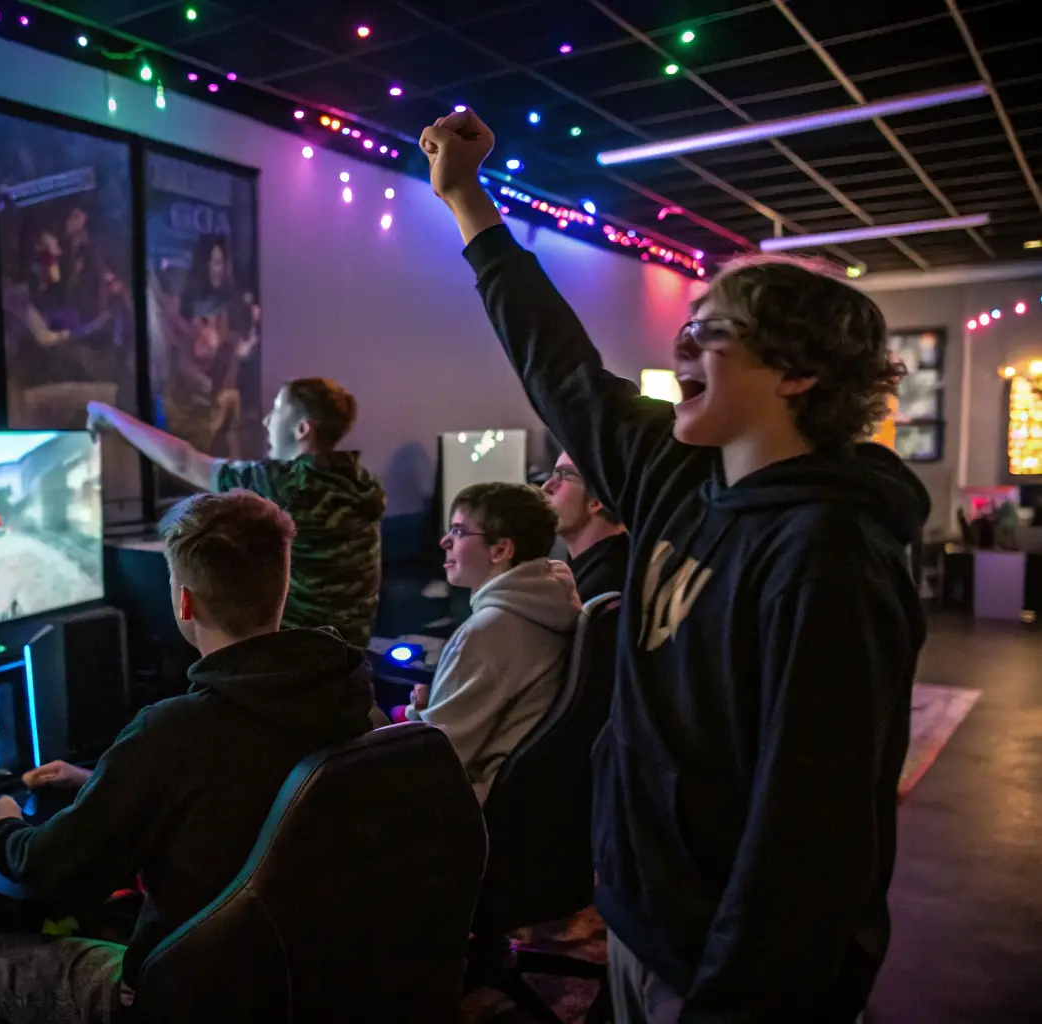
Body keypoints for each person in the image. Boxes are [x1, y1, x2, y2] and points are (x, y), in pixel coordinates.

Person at [419, 109, 926, 1022]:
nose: (680, 348)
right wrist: (466, 202)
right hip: (639, 914)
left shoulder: (830, 555)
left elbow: (813, 828)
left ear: (796, 374)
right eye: (685, 329)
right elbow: (556, 361)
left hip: (733, 966)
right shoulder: (672, 470)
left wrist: (737, 997)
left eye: (712, 334)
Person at [0, 490, 378, 1024]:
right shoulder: (347, 700)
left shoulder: (176, 732)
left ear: (185, 602)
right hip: (306, 982)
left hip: (187, 994)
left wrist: (2, 829)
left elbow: (54, 871)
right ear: (283, 587)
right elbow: (239, 786)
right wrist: (106, 780)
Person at [88, 377, 386, 647]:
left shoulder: (283, 484)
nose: (267, 421)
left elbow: (183, 461)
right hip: (350, 659)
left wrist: (108, 415)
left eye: (278, 409)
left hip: (297, 662)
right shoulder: (362, 482)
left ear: (302, 429)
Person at [397, 482, 580, 803]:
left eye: (458, 531)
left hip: (474, 804)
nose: (444, 542)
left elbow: (432, 758)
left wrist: (415, 714)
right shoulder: (552, 603)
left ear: (500, 551)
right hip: (530, 798)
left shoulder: (488, 630)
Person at [543, 451, 630, 601]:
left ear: (596, 500)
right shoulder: (590, 569)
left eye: (564, 476)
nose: (546, 486)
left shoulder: (607, 582)